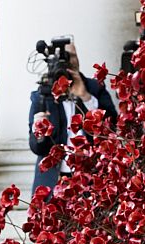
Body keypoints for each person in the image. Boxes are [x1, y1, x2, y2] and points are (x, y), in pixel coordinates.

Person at [28, 42, 118, 193]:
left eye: (71, 57)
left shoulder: (95, 88)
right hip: (53, 182)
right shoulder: (42, 95)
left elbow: (113, 128)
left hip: (91, 179)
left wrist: (86, 97)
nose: (67, 62)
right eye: (61, 58)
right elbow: (37, 148)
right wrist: (39, 131)